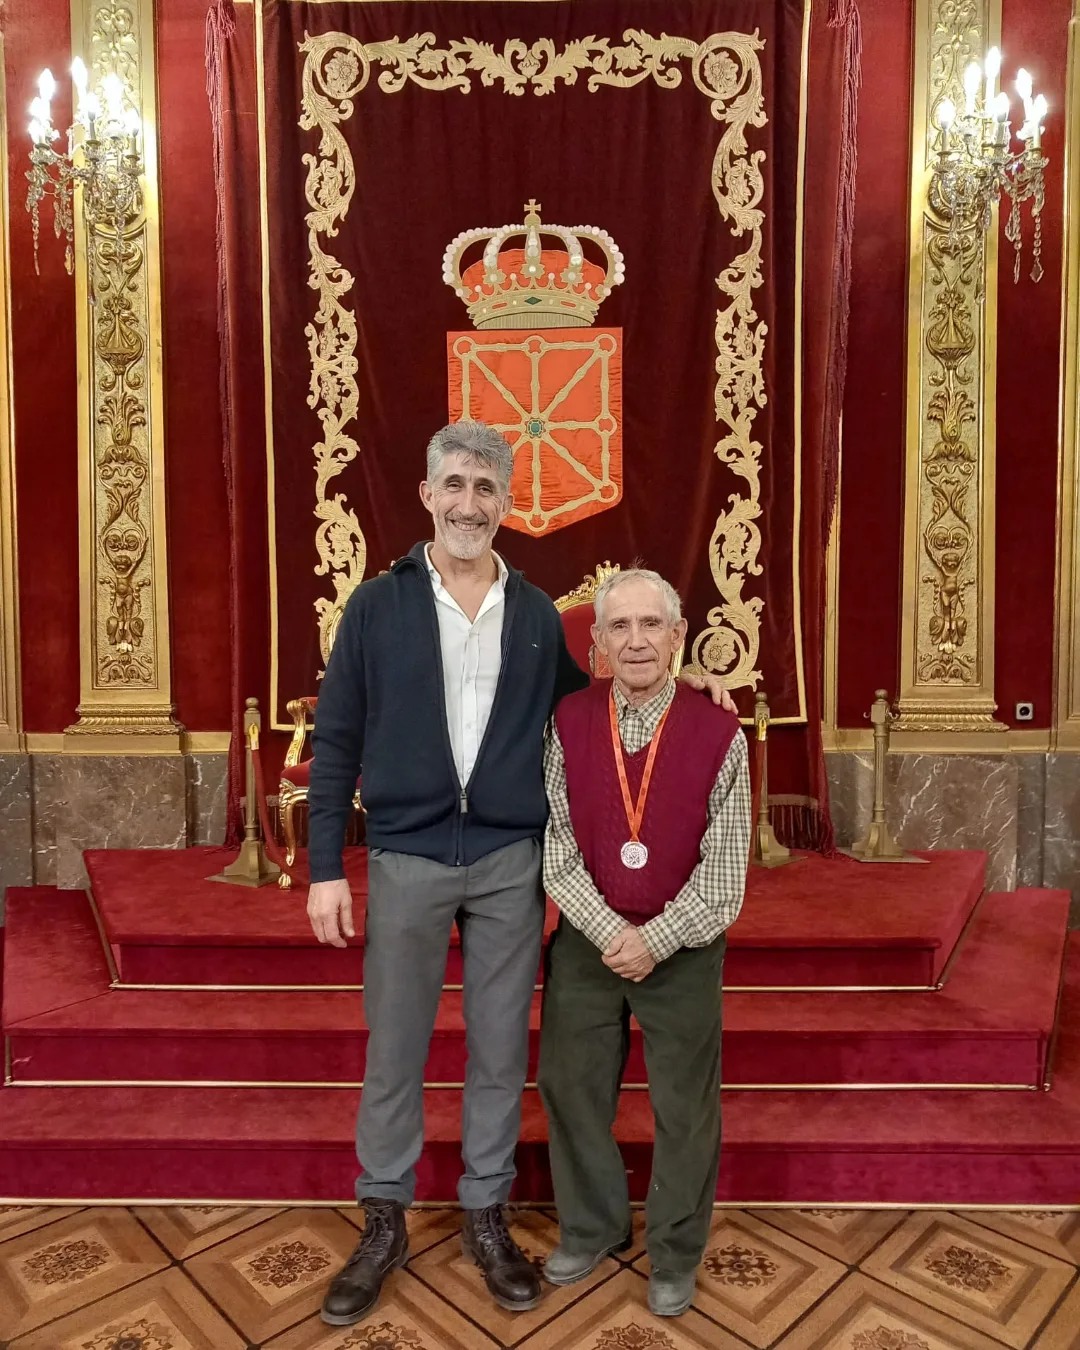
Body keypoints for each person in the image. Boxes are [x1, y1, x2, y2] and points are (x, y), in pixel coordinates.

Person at [305, 422, 734, 1327]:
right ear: (429, 494)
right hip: (409, 854)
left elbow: (591, 712)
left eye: (486, 489)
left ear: (507, 504)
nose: (469, 503)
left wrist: (702, 695)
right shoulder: (376, 608)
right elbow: (337, 734)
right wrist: (323, 868)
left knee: (501, 1053)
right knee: (394, 1049)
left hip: (508, 862)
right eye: (454, 485)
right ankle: (382, 1218)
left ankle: (486, 1218)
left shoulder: (538, 616)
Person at [538, 568, 751, 1319]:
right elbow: (557, 850)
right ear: (596, 643)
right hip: (589, 946)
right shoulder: (566, 721)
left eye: (651, 626)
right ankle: (593, 1226)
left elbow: (725, 876)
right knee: (570, 1088)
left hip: (683, 950)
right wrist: (610, 935)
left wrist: (653, 940)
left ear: (678, 637)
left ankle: (675, 1251)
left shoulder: (720, 732)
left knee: (685, 1110)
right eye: (619, 628)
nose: (636, 642)